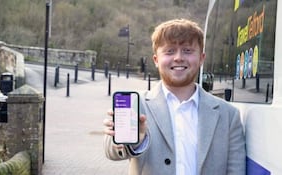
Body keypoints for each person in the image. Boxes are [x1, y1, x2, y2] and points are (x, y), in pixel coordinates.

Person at [103, 18, 246, 175]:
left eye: (187, 50)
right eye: (169, 51)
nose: (178, 57)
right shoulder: (137, 105)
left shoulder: (228, 115)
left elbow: (236, 170)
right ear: (156, 60)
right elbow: (111, 151)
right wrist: (134, 141)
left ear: (201, 59)